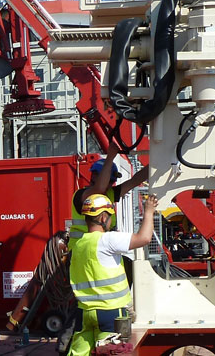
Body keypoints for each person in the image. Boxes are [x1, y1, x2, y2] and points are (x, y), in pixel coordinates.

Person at [67, 193, 158, 356]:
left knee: (78, 353)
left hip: (84, 313)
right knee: (110, 352)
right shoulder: (108, 240)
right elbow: (144, 238)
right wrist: (149, 211)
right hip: (110, 313)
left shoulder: (78, 245)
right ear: (103, 217)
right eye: (110, 216)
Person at [68, 142, 149, 249]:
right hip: (80, 250)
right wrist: (110, 157)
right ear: (95, 176)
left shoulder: (110, 193)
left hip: (98, 248)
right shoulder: (81, 195)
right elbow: (99, 189)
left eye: (112, 181)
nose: (111, 184)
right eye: (109, 180)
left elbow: (135, 181)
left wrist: (155, 163)